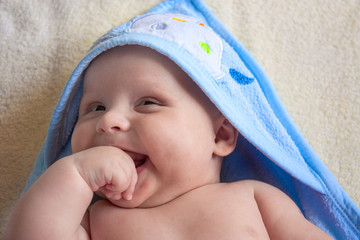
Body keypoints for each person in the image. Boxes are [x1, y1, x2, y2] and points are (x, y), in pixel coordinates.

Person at [3, 44, 332, 239]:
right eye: (94, 108)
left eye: (147, 102)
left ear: (220, 135)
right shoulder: (92, 221)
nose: (108, 120)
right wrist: (73, 175)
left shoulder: (255, 198)